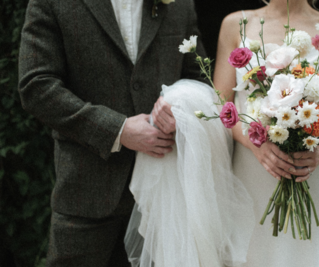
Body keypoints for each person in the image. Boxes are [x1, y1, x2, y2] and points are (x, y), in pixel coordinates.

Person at [18, 0, 207, 266]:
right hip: (87, 194)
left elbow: (197, 77)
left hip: (164, 198)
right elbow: (37, 86)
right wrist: (117, 129)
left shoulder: (180, 4)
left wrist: (180, 106)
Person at [213, 0, 319, 266]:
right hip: (250, 173)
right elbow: (219, 107)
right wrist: (255, 143)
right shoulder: (236, 24)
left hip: (313, 176)